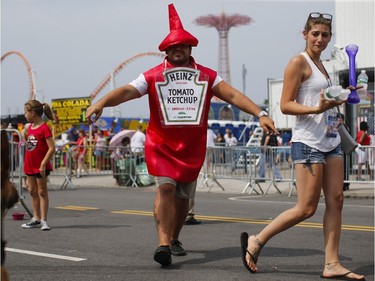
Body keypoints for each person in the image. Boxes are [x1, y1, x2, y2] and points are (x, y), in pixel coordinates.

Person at [86, 3, 277, 267]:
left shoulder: (207, 76)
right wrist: (101, 103)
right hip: (162, 145)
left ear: (190, 49)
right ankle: (163, 245)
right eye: (173, 47)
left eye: (183, 46)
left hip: (191, 148)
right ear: (166, 50)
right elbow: (127, 91)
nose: (178, 50)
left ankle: (174, 238)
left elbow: (232, 95)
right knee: (166, 189)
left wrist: (260, 113)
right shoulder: (152, 76)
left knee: (183, 200)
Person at [240, 13, 365, 280]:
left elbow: (321, 101)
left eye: (325, 35)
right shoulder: (299, 62)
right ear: (305, 35)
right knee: (306, 208)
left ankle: (331, 264)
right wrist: (317, 107)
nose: (320, 39)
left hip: (330, 140)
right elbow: (286, 104)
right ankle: (257, 241)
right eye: (315, 34)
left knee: (337, 201)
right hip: (308, 142)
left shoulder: (322, 66)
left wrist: (338, 98)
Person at [21, 100, 55, 231]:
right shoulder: (30, 127)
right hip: (29, 165)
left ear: (33, 113)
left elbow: (52, 148)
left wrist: (43, 164)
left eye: (26, 113)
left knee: (42, 192)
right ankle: (35, 218)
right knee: (32, 191)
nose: (24, 116)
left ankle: (44, 220)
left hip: (40, 166)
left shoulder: (44, 128)